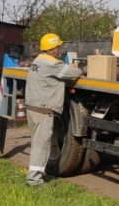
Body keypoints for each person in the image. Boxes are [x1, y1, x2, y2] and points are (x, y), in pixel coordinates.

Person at [24, 33, 83, 186]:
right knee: (41, 145)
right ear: (53, 48)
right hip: (43, 110)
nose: (60, 50)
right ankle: (34, 179)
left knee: (40, 142)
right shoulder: (52, 63)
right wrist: (79, 67)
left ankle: (46, 168)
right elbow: (75, 73)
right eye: (58, 47)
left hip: (33, 108)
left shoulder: (38, 60)